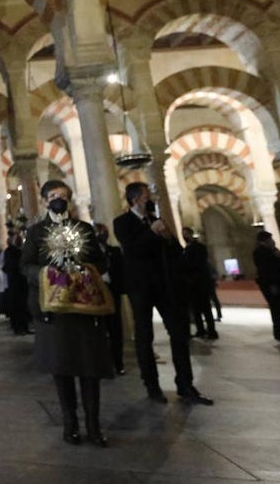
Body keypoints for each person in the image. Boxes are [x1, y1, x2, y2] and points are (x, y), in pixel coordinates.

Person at [22, 180, 114, 446]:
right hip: (55, 309)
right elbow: (25, 265)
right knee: (61, 368)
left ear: (70, 199)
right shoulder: (37, 232)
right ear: (43, 201)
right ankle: (70, 424)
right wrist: (45, 275)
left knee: (89, 368)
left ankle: (94, 426)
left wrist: (87, 270)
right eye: (53, 196)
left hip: (84, 308)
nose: (58, 200)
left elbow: (100, 260)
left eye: (62, 196)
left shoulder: (83, 229)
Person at [113, 182, 213, 406]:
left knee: (179, 334)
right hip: (140, 287)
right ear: (136, 198)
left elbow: (176, 251)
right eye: (146, 195)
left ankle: (185, 384)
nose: (149, 198)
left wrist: (167, 237)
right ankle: (152, 385)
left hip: (165, 286)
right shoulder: (122, 222)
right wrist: (151, 232)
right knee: (144, 336)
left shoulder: (156, 220)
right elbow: (132, 250)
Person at [94, 222, 126, 374]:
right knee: (99, 331)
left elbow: (120, 272)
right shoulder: (89, 255)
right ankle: (103, 363)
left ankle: (118, 363)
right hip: (96, 296)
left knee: (116, 330)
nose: (102, 235)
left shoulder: (114, 251)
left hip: (113, 294)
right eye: (99, 232)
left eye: (104, 232)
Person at [180, 227, 218, 340]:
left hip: (200, 283)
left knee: (205, 308)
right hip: (192, 284)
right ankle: (200, 330)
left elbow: (198, 264)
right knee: (196, 309)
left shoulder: (198, 247)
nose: (184, 236)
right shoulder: (187, 248)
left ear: (191, 234)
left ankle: (211, 331)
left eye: (185, 234)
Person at [2, 222, 31, 335]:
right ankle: (18, 327)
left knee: (23, 304)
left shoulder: (20, 252)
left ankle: (24, 326)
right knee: (17, 305)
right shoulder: (9, 252)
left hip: (21, 282)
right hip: (15, 282)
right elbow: (8, 267)